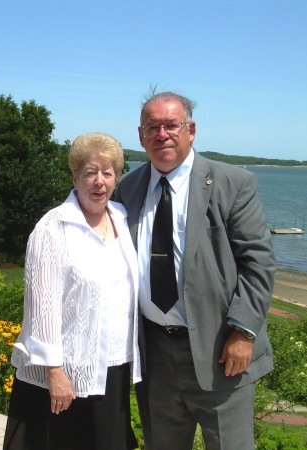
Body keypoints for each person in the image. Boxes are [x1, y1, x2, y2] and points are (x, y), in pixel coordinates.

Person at [115, 91, 276, 450]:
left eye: (171, 125)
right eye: (152, 127)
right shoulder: (128, 188)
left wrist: (243, 332)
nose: (162, 135)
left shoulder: (232, 183)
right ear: (140, 135)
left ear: (191, 130)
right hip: (154, 354)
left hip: (220, 350)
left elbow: (258, 262)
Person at [3, 132, 141, 450]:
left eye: (107, 173)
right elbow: (43, 305)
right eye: (90, 173)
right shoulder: (53, 229)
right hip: (65, 374)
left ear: (116, 178)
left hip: (112, 367)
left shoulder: (121, 218)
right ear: (75, 176)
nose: (99, 182)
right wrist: (55, 372)